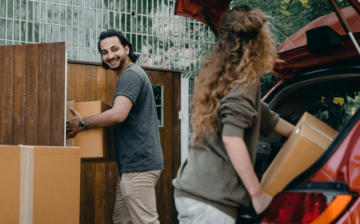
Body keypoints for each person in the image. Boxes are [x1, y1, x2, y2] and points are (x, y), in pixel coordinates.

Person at [172, 6, 295, 224]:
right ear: (259, 40)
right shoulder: (245, 78)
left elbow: (264, 115)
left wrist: (302, 134)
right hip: (213, 199)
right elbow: (231, 137)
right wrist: (257, 195)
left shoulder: (220, 76)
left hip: (190, 190)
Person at [66, 29, 164, 224]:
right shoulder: (129, 75)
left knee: (147, 221)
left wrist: (83, 123)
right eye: (104, 52)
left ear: (126, 49)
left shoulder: (130, 75)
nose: (110, 56)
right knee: (121, 220)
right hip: (131, 167)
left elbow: (118, 114)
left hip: (139, 165)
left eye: (114, 49)